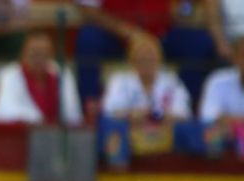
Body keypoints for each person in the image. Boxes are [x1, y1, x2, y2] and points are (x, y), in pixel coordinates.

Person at [73, 0, 217, 112]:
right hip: (117, 35)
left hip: (161, 33)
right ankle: (90, 106)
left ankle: (187, 107)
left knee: (199, 43)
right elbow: (88, 10)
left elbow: (185, 8)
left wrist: (183, 11)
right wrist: (128, 32)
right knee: (88, 39)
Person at [99, 35, 195, 166]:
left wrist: (163, 116)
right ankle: (118, 167)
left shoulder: (172, 81)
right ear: (132, 61)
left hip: (165, 131)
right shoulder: (120, 81)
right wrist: (132, 114)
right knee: (111, 126)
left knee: (189, 128)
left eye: (151, 59)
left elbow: (184, 113)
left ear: (159, 60)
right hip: (131, 130)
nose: (147, 63)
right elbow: (110, 111)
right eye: (142, 59)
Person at [0, 31, 83, 124]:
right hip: (25, 131)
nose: (39, 59)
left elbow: (73, 114)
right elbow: (2, 112)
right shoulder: (10, 75)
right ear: (23, 54)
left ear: (52, 55)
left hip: (57, 131)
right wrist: (39, 120)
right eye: (34, 54)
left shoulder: (62, 74)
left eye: (44, 54)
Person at [198, 36, 244, 154]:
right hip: (225, 139)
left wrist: (229, 119)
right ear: (235, 58)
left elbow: (221, 118)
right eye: (243, 56)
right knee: (210, 132)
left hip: (230, 131)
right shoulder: (217, 80)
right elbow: (207, 117)